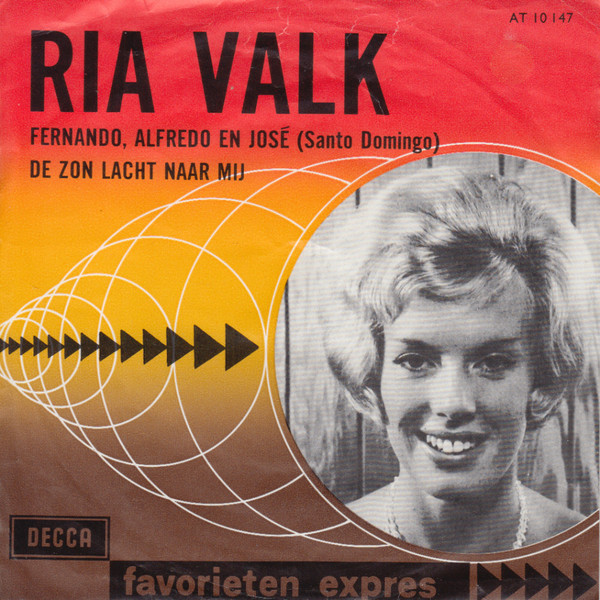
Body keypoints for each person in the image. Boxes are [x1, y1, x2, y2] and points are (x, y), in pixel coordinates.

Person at [322, 167, 598, 553]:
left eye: (493, 363)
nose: (453, 403)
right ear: (371, 374)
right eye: (415, 361)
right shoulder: (317, 556)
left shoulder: (589, 554)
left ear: (541, 379)